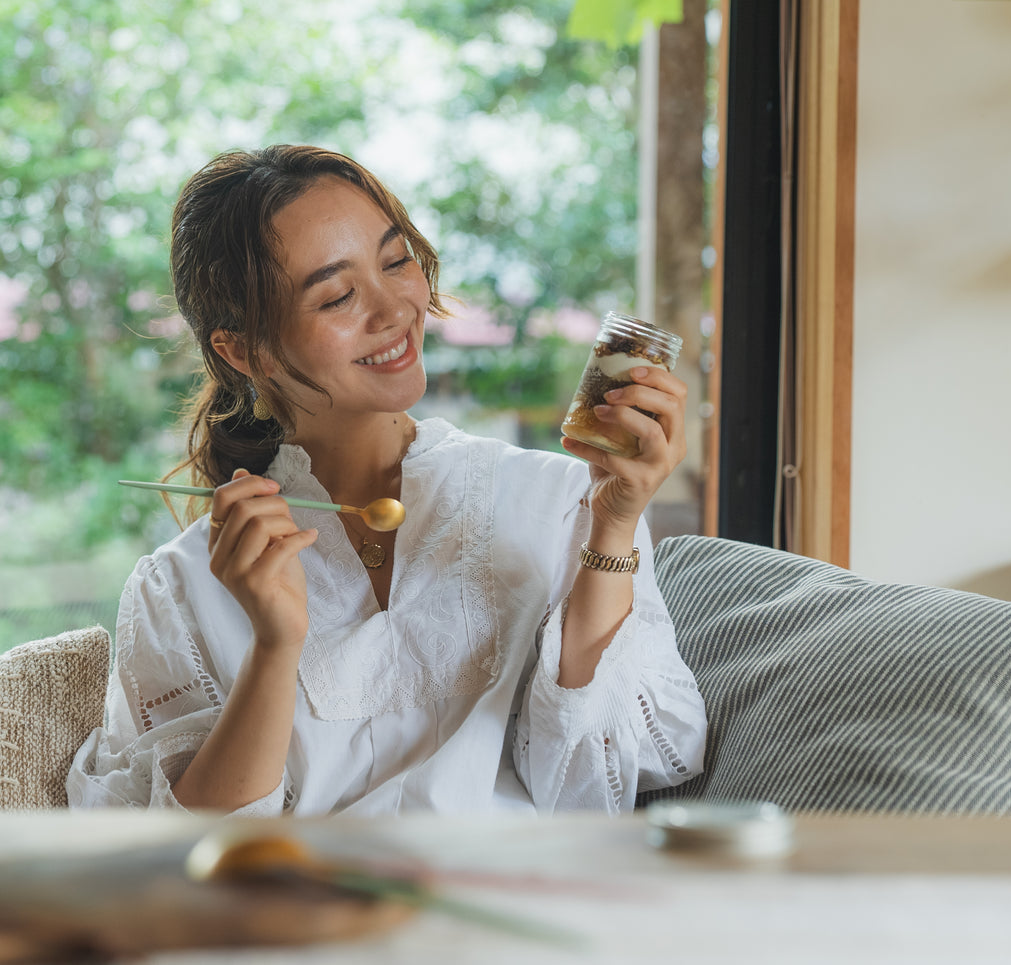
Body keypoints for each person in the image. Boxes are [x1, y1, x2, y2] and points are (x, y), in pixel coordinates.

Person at [66, 145, 706, 815]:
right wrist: (274, 644)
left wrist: (612, 526)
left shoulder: (559, 499)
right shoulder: (180, 584)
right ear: (244, 349)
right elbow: (191, 846)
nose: (394, 308)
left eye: (396, 261)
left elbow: (602, 777)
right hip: (311, 912)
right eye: (337, 295)